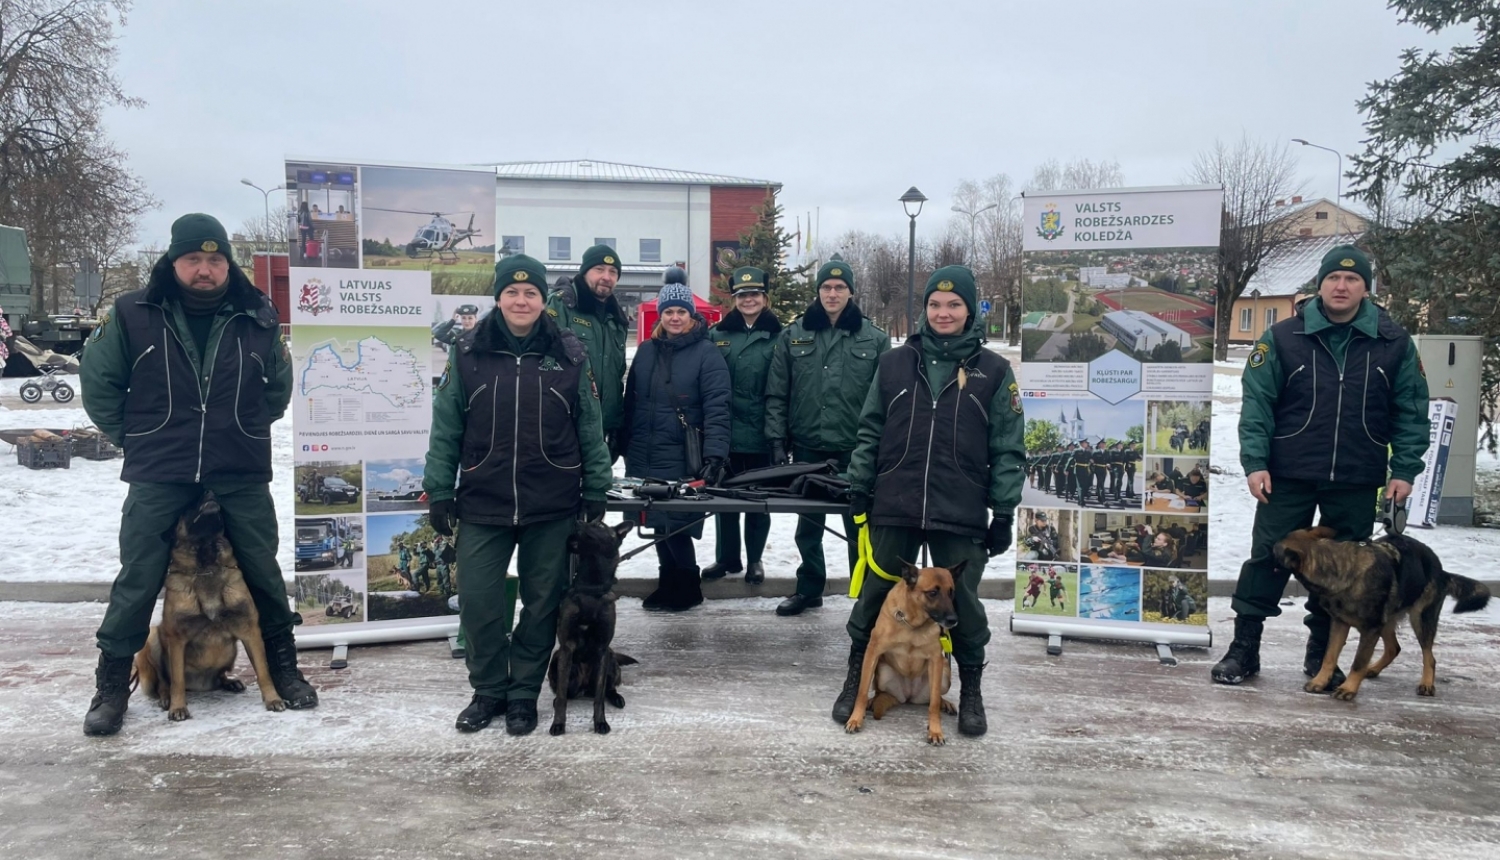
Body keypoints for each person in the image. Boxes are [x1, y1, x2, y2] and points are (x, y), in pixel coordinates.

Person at [78, 213, 316, 736]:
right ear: (173, 261)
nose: (205, 270)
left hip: (238, 467)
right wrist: (139, 438)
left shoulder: (257, 315)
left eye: (215, 260)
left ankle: (284, 669)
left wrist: (240, 430)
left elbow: (276, 390)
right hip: (161, 470)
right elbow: (99, 386)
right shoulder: (132, 314)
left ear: (227, 263)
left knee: (261, 571)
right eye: (193, 260)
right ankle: (112, 685)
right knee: (139, 577)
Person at [1212, 245, 1430, 687]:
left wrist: (1404, 470)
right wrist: (1255, 462)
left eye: (1352, 280)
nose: (1341, 286)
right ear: (1321, 284)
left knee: (1346, 574)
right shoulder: (1283, 338)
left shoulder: (1393, 343)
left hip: (1356, 476)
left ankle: (1320, 657)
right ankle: (1244, 650)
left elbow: (1411, 411)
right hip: (1287, 473)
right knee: (1268, 559)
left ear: (1366, 288)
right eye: (1334, 278)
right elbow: (1258, 406)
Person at [423, 253, 612, 735]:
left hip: (551, 500)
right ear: (498, 297)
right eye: (512, 292)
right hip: (484, 500)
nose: (522, 300)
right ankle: (488, 689)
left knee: (542, 603)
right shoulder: (467, 352)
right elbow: (447, 426)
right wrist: (441, 488)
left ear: (544, 298)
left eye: (531, 293)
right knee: (479, 602)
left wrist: (596, 485)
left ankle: (524, 692)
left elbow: (590, 424)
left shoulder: (569, 353)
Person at [836, 265, 1026, 738]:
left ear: (969, 310)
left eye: (954, 305)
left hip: (958, 505)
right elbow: (869, 430)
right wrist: (861, 481)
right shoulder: (894, 364)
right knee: (876, 594)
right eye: (935, 305)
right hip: (895, 498)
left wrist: (1003, 511)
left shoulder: (995, 372)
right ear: (924, 311)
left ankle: (972, 690)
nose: (944, 313)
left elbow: (1008, 447)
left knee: (960, 601)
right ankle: (854, 679)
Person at [764, 255, 889, 616]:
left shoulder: (874, 339)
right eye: (826, 287)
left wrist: (880, 447)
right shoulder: (795, 334)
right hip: (808, 445)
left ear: (850, 292)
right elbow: (777, 392)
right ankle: (809, 588)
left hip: (856, 449)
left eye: (839, 287)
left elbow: (886, 399)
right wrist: (776, 441)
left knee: (859, 525)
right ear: (818, 292)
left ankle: (864, 596)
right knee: (808, 525)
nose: (832, 293)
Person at [620, 275, 731, 610]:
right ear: (661, 315)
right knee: (654, 520)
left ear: (692, 315)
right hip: (644, 450)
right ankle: (667, 580)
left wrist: (715, 454)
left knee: (677, 522)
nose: (675, 318)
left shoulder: (706, 353)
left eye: (681, 311)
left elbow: (718, 406)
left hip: (683, 452)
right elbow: (632, 401)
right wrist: (622, 441)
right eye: (669, 311)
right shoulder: (646, 351)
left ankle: (688, 585)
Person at [702, 266, 782, 585]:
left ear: (764, 298)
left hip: (763, 433)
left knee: (759, 504)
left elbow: (784, 388)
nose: (748, 300)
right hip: (726, 433)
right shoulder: (717, 336)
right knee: (725, 501)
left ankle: (755, 559)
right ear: (734, 299)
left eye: (754, 294)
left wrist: (779, 437)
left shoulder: (780, 337)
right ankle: (727, 558)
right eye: (742, 295)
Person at [546, 244, 628, 462]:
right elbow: (544, 363)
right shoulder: (562, 305)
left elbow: (616, 376)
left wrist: (616, 424)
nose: (606, 277)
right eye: (599, 269)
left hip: (602, 430)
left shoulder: (616, 320)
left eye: (613, 272)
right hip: (566, 425)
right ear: (584, 272)